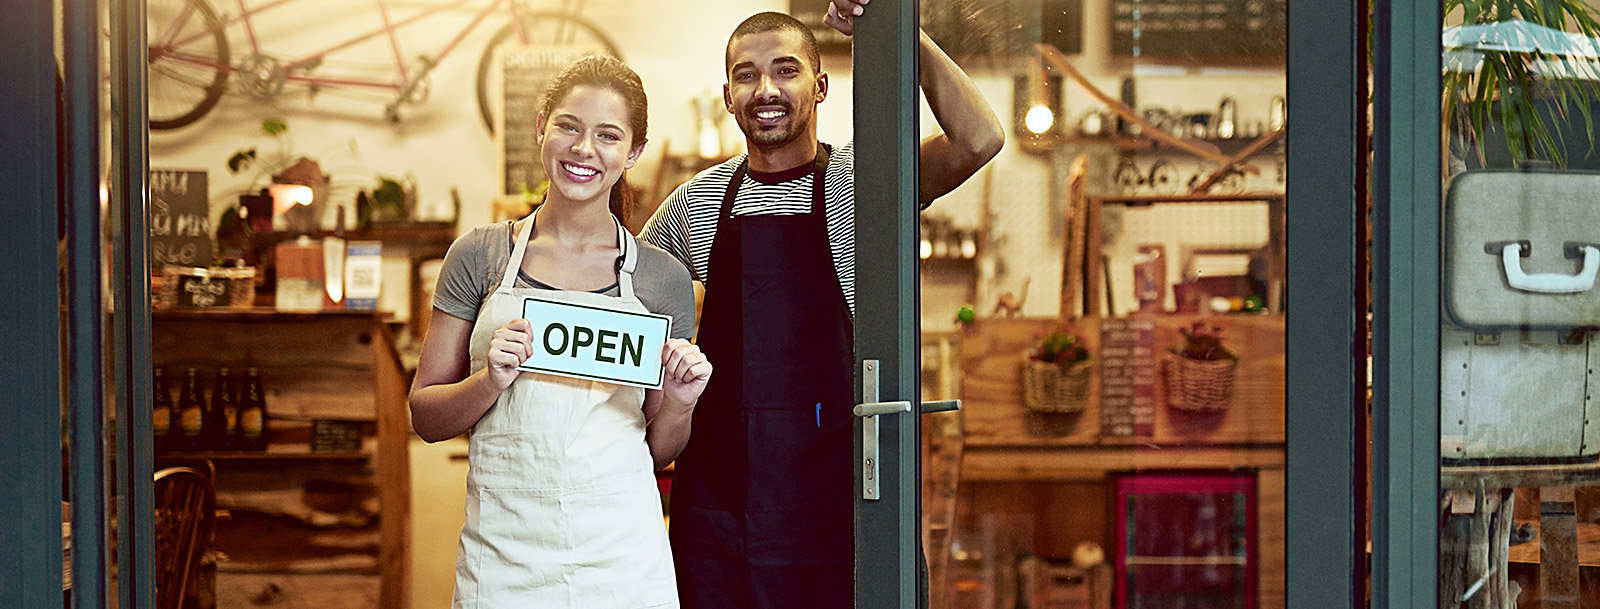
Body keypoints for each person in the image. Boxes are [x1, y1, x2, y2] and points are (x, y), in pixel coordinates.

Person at [639, 2, 1004, 607]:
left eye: (786, 70)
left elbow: (979, 138)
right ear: (727, 96)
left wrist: (898, 31)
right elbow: (631, 302)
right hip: (723, 512)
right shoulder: (695, 204)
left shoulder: (864, 181)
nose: (766, 89)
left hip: (843, 498)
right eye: (747, 75)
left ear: (821, 85)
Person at [410, 55, 712, 609]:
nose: (582, 149)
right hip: (501, 560)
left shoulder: (661, 280)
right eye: (568, 126)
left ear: (634, 152)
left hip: (623, 560)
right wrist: (490, 381)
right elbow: (425, 416)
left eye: (607, 135)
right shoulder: (479, 256)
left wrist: (681, 403)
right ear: (541, 125)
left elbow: (658, 450)